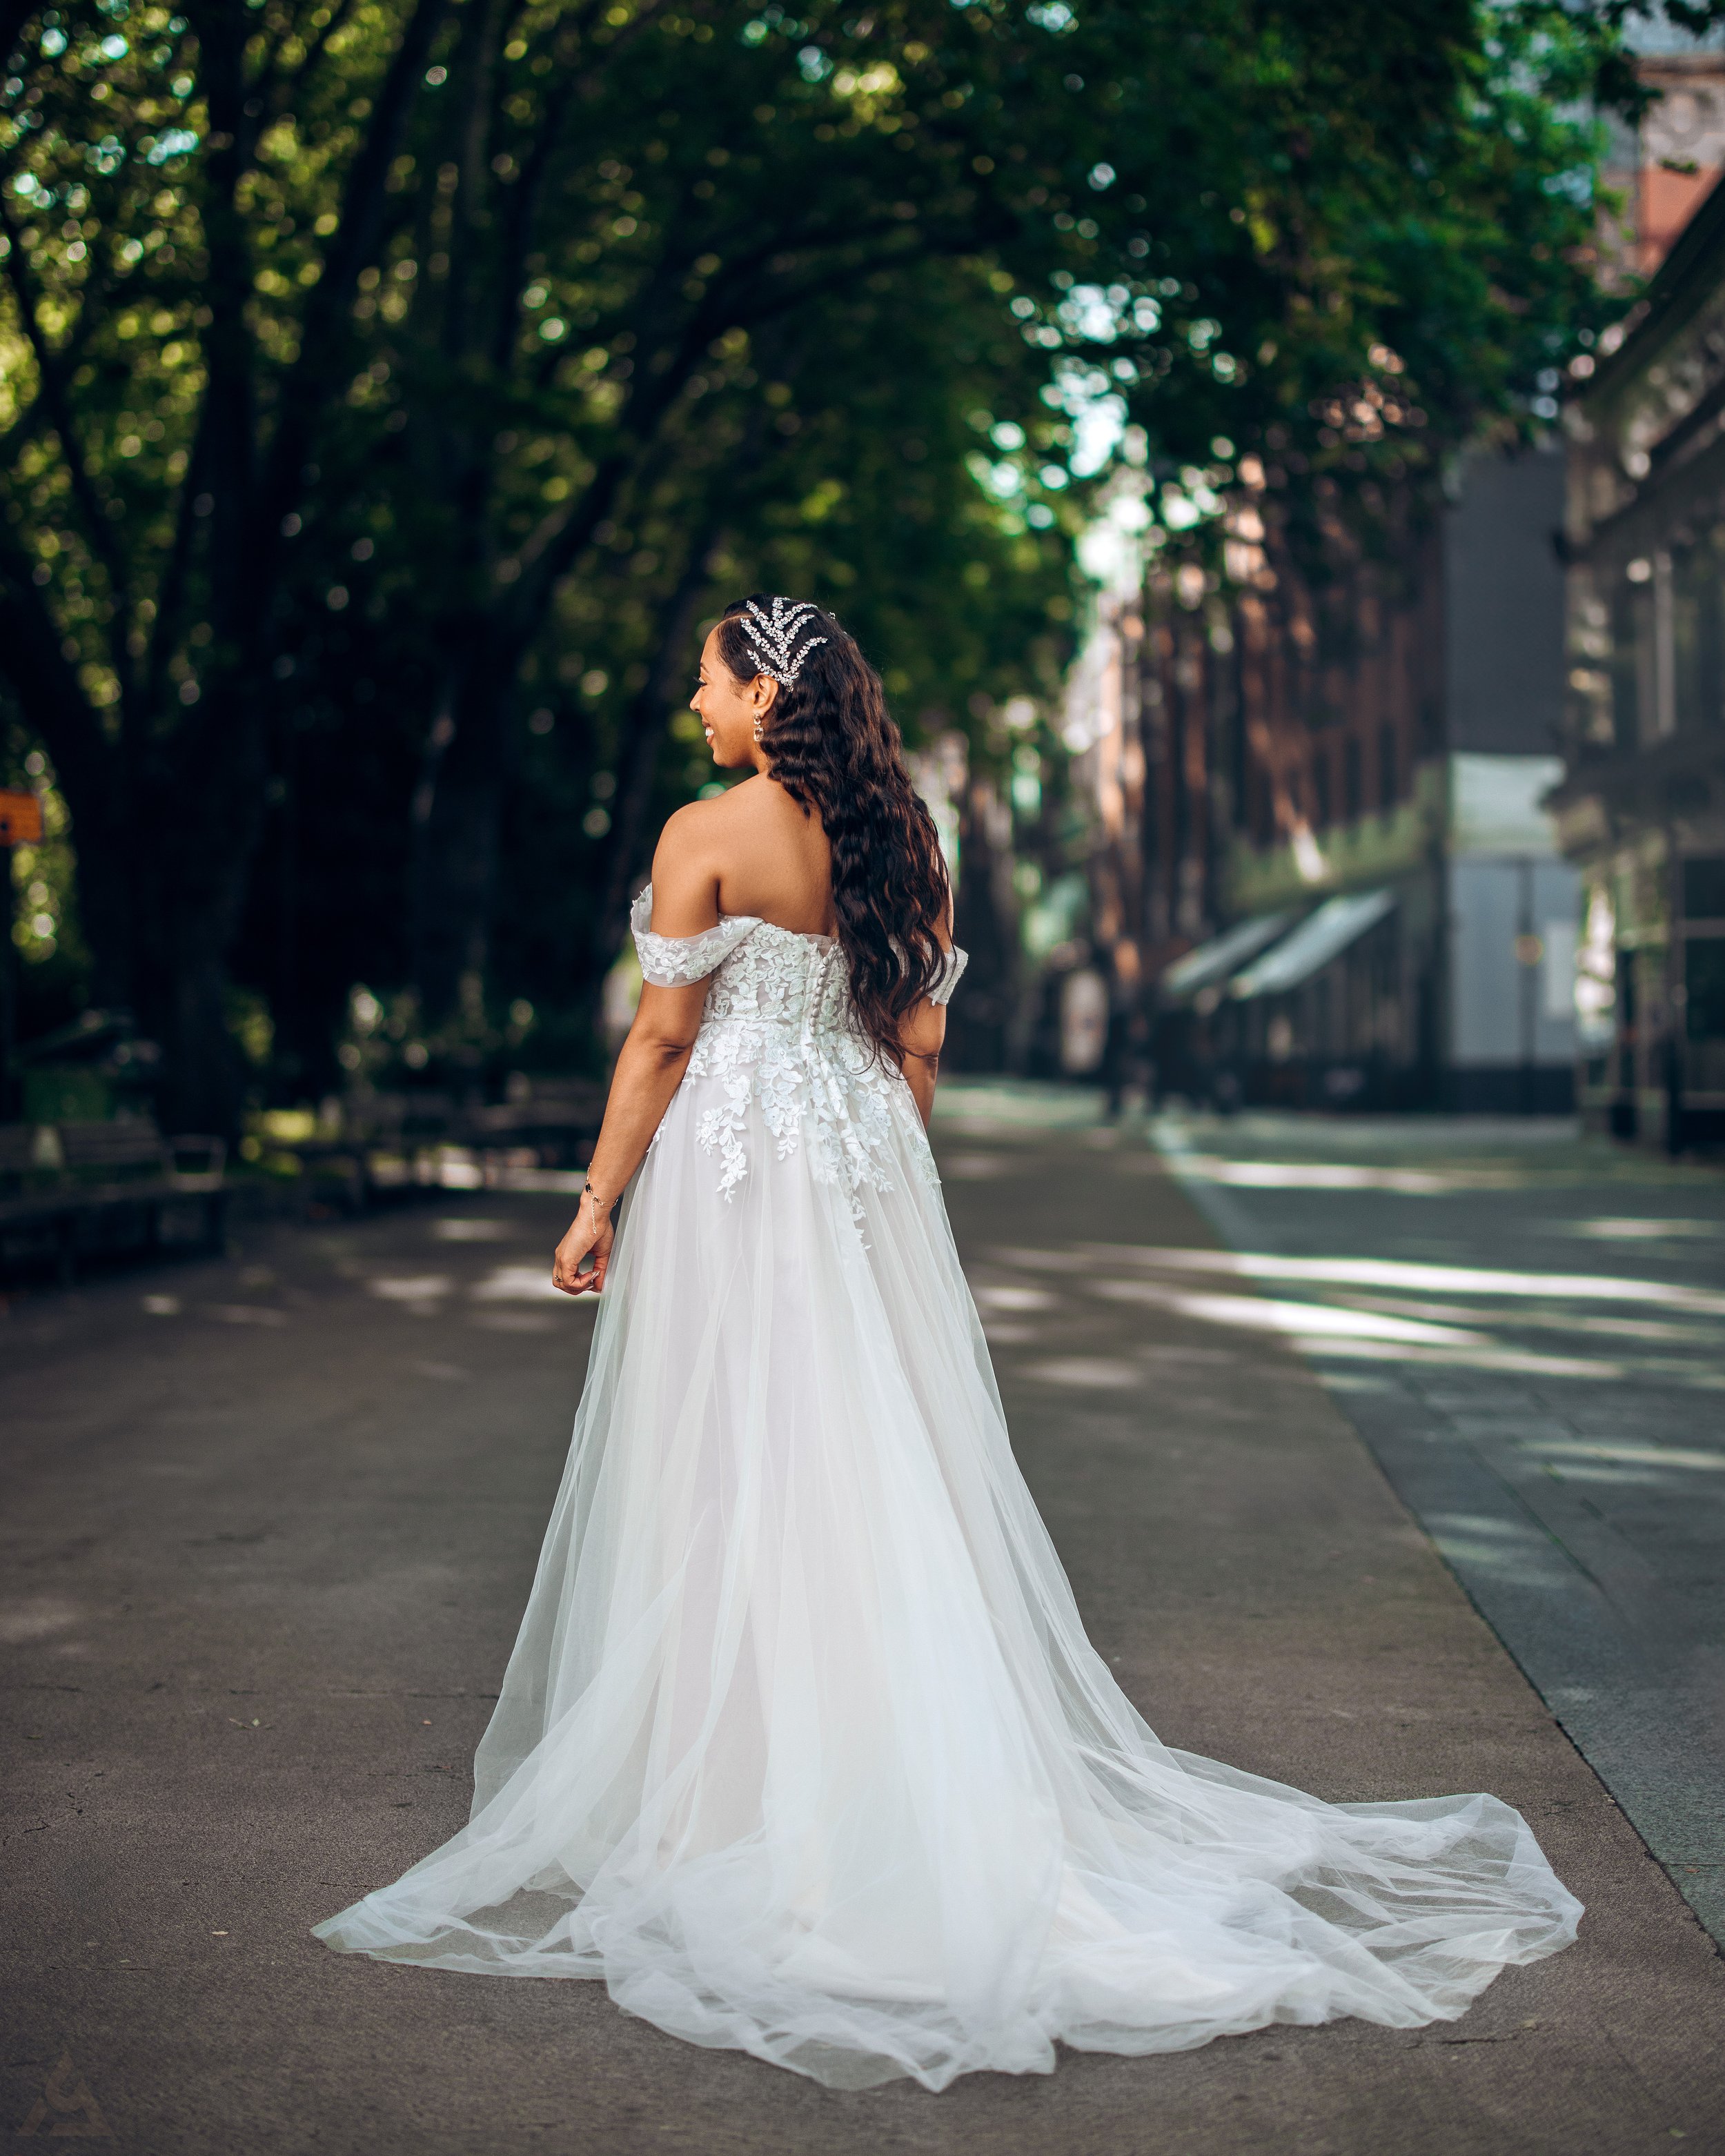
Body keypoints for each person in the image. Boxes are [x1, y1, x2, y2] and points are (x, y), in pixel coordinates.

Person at [314, 596, 1579, 2091]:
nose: (691, 712)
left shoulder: (700, 832)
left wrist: (600, 1201)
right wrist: (867, 1175)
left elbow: (660, 1037)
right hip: (853, 1160)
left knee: (729, 1455)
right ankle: (875, 1776)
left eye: (705, 687)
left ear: (762, 696)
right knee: (866, 1453)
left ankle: (734, 1799)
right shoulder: (907, 840)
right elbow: (913, 1052)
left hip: (736, 1167)